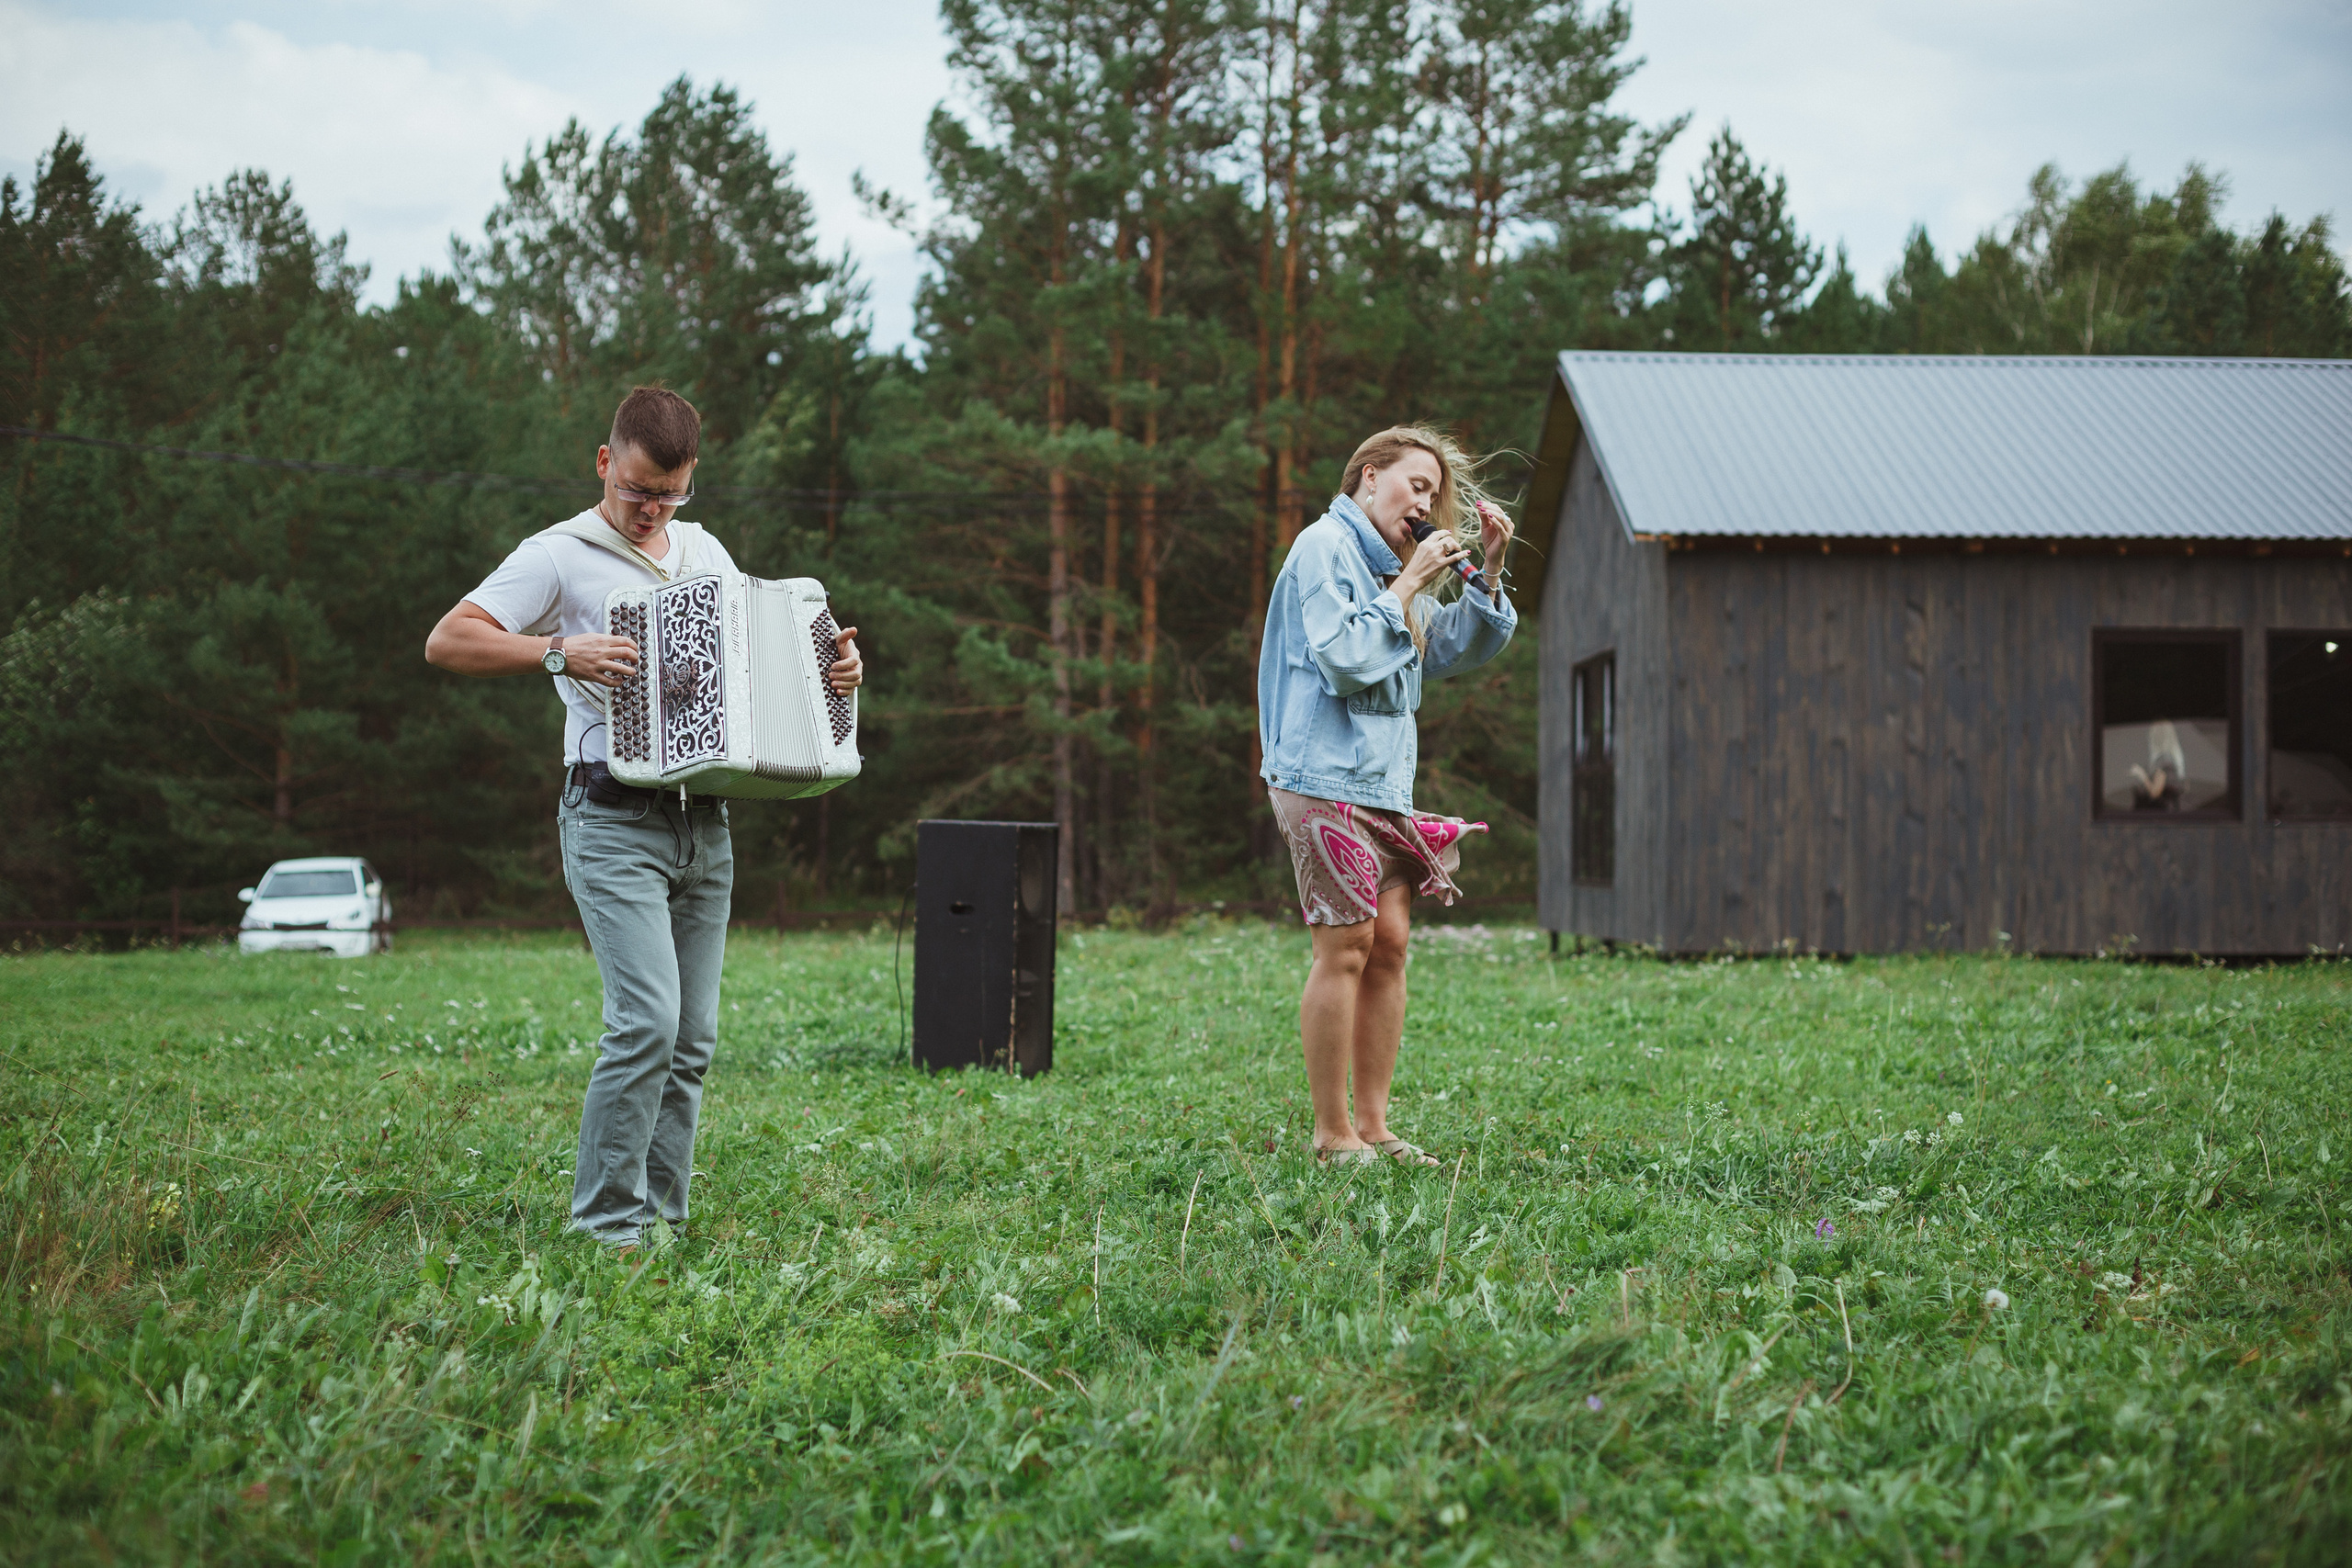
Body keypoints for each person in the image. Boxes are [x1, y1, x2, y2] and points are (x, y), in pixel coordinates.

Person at [424, 386, 863, 1247]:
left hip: (706, 825)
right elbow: (448, 638)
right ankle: (605, 1228)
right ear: (604, 462)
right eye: (637, 490)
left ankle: (660, 1225)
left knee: (691, 1039)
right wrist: (558, 650)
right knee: (647, 1024)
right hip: (611, 817)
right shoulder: (559, 555)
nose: (652, 509)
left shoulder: (705, 550)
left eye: (671, 493)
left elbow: (753, 659)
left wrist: (832, 671)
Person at [1257, 425, 1517, 1167]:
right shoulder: (1323, 547)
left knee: (1390, 944)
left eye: (1435, 493)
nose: (1426, 503)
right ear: (1369, 477)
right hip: (1318, 779)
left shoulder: (1392, 568)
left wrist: (1488, 572)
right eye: (1416, 484)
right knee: (1347, 944)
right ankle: (1331, 1133)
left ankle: (1373, 1126)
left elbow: (1448, 646)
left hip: (1380, 785)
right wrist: (1406, 586)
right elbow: (1342, 659)